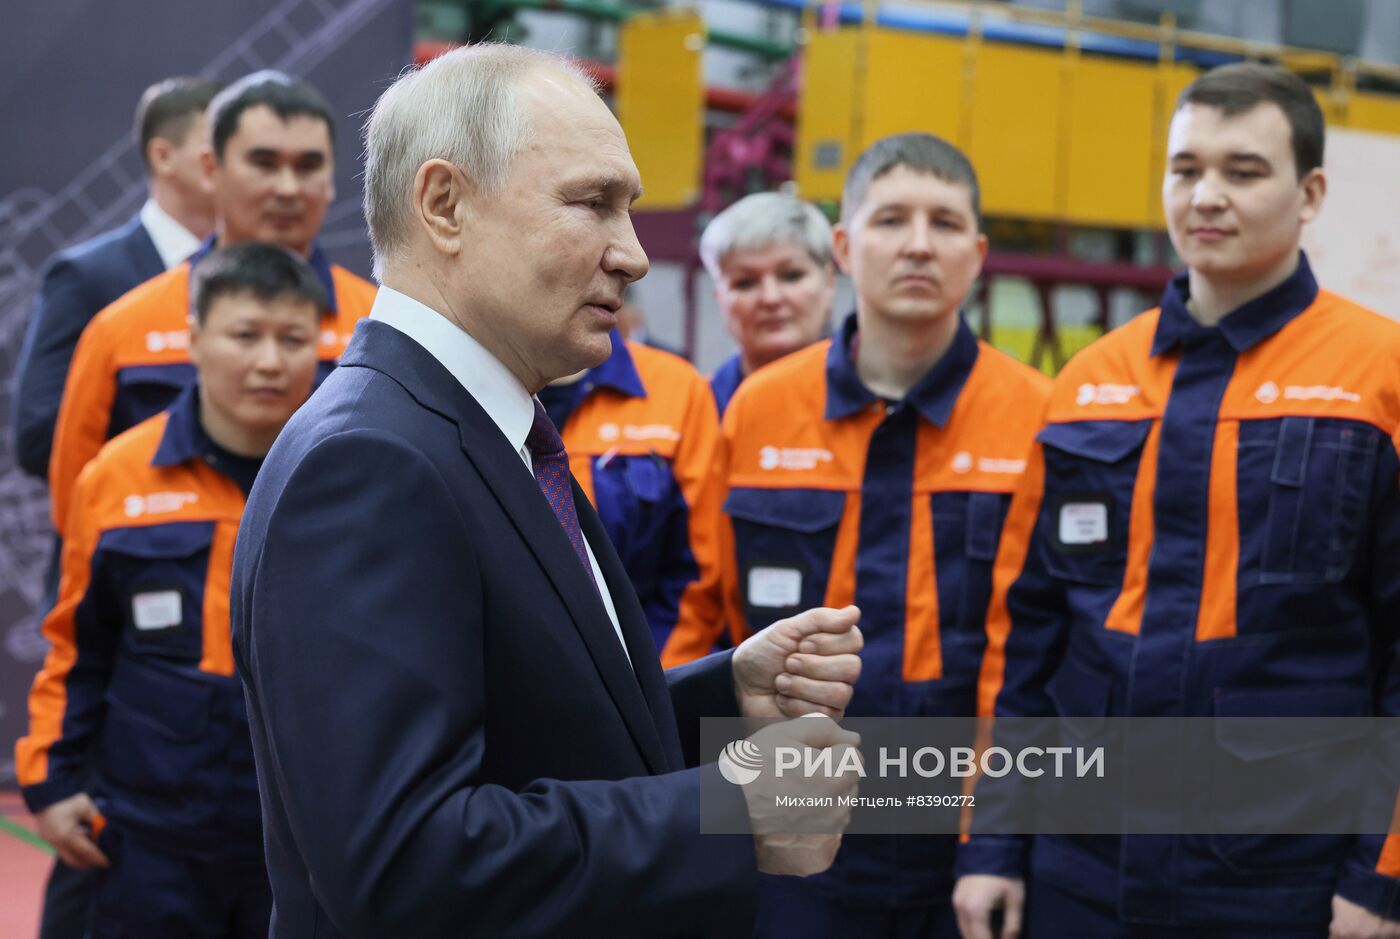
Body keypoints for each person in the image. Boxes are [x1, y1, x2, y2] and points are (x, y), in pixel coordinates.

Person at [231, 44, 865, 937]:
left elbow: (516, 726)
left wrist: (718, 701)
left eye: (630, 209)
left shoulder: (470, 432)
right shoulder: (372, 465)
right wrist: (731, 804)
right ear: (444, 205)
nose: (636, 255)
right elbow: (405, 863)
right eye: (593, 203)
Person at [954, 62, 1400, 939]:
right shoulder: (1088, 383)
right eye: (1186, 168)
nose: (1207, 196)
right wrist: (991, 841)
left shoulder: (1378, 378)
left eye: (1243, 171)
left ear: (1310, 193)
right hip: (1082, 865)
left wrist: (1383, 875)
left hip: (1287, 878)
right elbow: (1028, 635)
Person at [670, 134, 1050, 934]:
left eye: (945, 222)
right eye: (891, 219)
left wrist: (995, 841)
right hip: (788, 818)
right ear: (845, 245)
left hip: (958, 828)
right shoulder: (760, 410)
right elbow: (702, 612)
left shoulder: (1036, 418)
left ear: (978, 253)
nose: (918, 243)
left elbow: (1034, 656)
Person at [15, 242, 327, 939]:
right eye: (245, 335)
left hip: (310, 839)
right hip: (146, 836)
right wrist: (54, 781)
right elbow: (74, 644)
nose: (270, 361)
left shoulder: (353, 471)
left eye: (292, 338)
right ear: (193, 339)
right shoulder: (117, 478)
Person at [9, 73, 223, 939]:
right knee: (108, 853)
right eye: (224, 153)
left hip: (241, 606)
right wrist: (153, 483)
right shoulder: (93, 277)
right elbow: (39, 436)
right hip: (131, 589)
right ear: (163, 155)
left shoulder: (279, 288)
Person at [46, 70, 377, 534]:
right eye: (264, 163)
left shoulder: (377, 324)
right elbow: (79, 510)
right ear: (210, 169)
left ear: (331, 179)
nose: (287, 188)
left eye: (307, 166)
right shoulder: (122, 329)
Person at [13, 76, 223, 482]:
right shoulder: (84, 278)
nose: (236, 162)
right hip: (135, 525)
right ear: (163, 156)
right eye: (217, 147)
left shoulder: (264, 274)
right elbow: (39, 437)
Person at [537, 331, 724, 652]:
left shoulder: (675, 389)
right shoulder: (461, 386)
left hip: (644, 665)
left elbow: (697, 578)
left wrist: (656, 689)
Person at [700, 191, 837, 416]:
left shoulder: (879, 401)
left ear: (829, 282)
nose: (770, 298)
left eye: (791, 276)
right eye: (745, 283)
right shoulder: (694, 412)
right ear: (720, 298)